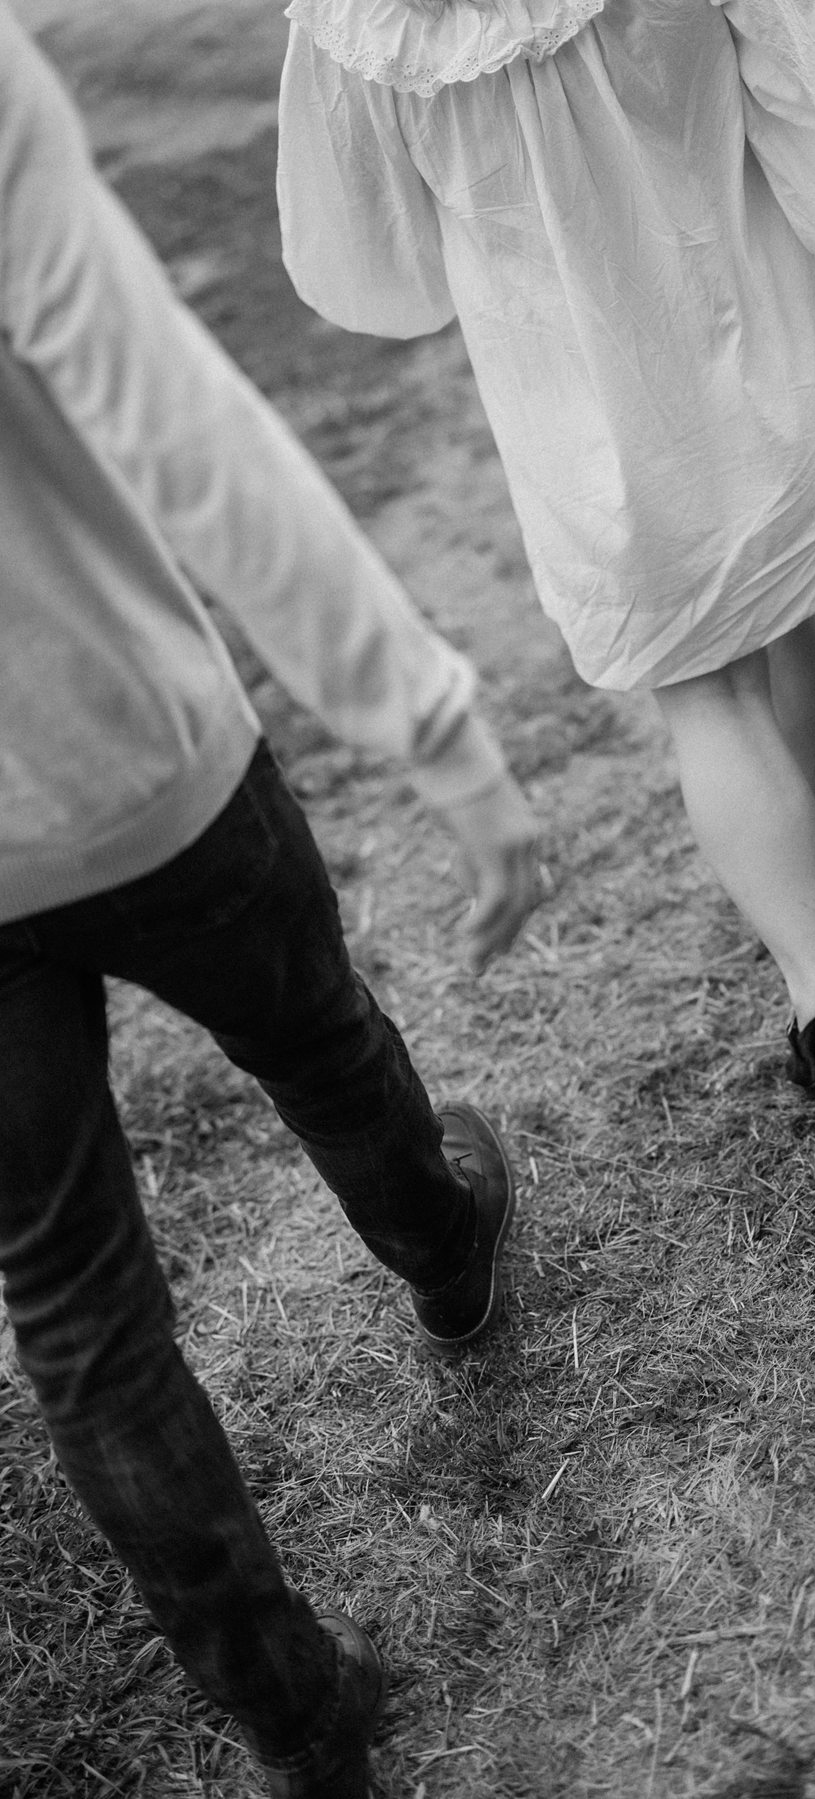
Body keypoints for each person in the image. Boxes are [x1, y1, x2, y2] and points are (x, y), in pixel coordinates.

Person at [0, 8, 542, 1796]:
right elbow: (180, 425)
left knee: (76, 1304)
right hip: (133, 761)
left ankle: (295, 1718)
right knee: (316, 1034)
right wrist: (433, 721)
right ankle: (444, 1248)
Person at [276, 0, 815, 1095]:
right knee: (783, 605)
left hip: (584, 416)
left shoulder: (361, 17)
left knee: (705, 691)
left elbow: (377, 254)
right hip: (762, 334)